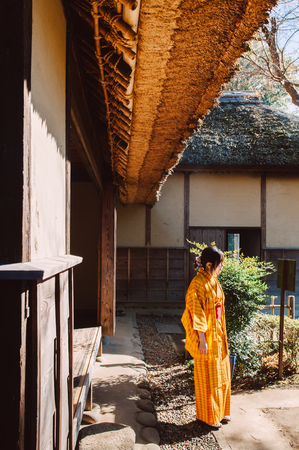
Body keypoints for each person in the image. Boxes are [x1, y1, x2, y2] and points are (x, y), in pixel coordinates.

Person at [181, 246, 231, 429]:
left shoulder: (213, 280)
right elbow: (196, 312)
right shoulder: (197, 284)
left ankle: (222, 411)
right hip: (207, 337)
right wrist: (202, 339)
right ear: (209, 264)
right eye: (219, 264)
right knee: (209, 378)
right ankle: (209, 416)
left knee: (223, 375)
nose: (221, 267)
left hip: (218, 333)